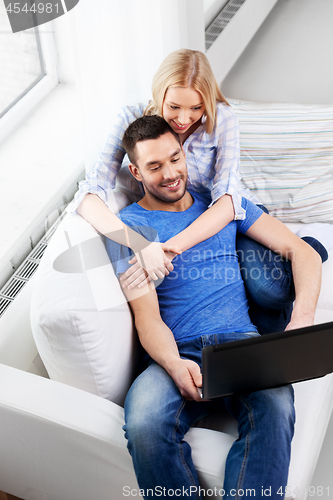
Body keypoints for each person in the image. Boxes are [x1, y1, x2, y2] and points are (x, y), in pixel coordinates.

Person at [105, 115, 322, 499]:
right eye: (155, 166)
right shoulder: (128, 229)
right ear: (136, 171)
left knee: (275, 408)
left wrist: (303, 317)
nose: (170, 173)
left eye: (175, 158)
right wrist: (174, 363)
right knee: (143, 422)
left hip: (240, 344)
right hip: (175, 351)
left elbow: (300, 251)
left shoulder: (221, 205)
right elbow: (147, 317)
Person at [70, 48, 327, 334]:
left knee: (269, 292)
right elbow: (88, 195)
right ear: (160, 95)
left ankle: (308, 251)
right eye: (174, 107)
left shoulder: (223, 118)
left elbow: (228, 199)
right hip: (183, 217)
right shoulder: (130, 119)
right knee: (260, 310)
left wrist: (170, 249)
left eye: (196, 107)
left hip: (226, 216)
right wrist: (140, 245)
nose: (183, 118)